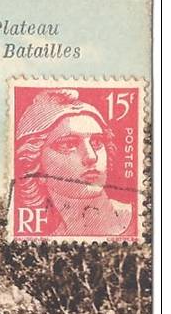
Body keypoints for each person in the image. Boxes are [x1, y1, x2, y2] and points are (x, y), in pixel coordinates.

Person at [14, 88, 132, 237]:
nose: (91, 157)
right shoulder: (51, 241)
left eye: (96, 142)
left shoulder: (144, 216)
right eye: (68, 145)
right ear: (35, 167)